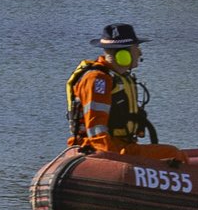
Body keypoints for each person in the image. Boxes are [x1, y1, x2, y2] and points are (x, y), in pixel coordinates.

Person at [68, 24, 185, 163]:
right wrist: (113, 158)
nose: (140, 53)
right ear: (123, 54)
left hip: (122, 146)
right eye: (136, 47)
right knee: (174, 154)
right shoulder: (98, 80)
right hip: (102, 149)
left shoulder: (117, 77)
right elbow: (96, 128)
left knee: (171, 154)